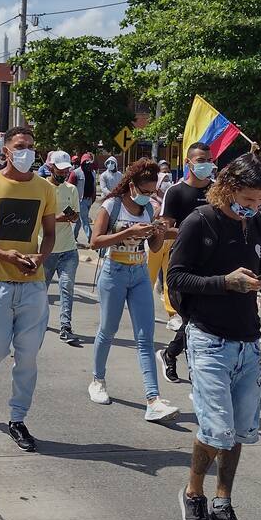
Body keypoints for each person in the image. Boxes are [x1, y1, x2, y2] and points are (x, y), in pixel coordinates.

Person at [168, 152, 261, 520]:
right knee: (216, 429)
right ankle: (193, 494)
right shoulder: (200, 222)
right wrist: (225, 283)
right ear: (227, 188)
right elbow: (176, 278)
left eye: (259, 202)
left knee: (239, 433)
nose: (252, 208)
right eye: (247, 200)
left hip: (248, 342)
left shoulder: (258, 225)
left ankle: (222, 503)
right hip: (208, 339)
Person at [0, 126, 58, 452]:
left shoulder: (45, 188)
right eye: (20, 146)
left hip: (33, 285)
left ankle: (18, 419)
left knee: (27, 357)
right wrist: (4, 255)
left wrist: (39, 257)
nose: (27, 152)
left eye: (32, 146)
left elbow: (49, 234)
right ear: (6, 150)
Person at [89, 158, 182, 423]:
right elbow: (95, 242)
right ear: (131, 186)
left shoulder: (148, 210)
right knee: (108, 330)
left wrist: (158, 232)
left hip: (139, 273)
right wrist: (127, 232)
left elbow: (153, 248)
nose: (149, 197)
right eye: (145, 192)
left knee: (146, 338)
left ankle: (153, 400)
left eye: (153, 192)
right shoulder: (112, 205)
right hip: (114, 271)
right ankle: (97, 380)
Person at [156, 142, 216, 384]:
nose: (206, 164)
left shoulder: (216, 191)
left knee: (200, 319)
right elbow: (164, 230)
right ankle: (172, 355)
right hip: (183, 265)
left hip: (212, 264)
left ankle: (175, 356)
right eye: (201, 160)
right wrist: (190, 231)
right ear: (189, 162)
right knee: (193, 317)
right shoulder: (176, 192)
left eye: (209, 160)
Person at [41, 151, 81, 340]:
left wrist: (72, 217)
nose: (64, 173)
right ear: (50, 167)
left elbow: (76, 216)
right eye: (60, 169)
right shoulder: (40, 188)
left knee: (67, 288)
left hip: (68, 250)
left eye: (66, 170)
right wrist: (58, 218)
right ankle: (38, 321)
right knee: (41, 290)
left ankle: (66, 327)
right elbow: (37, 218)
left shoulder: (71, 189)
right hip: (46, 251)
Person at [68, 152, 97, 244]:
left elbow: (94, 186)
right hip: (80, 200)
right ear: (82, 162)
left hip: (89, 200)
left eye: (90, 162)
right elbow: (69, 187)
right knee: (85, 220)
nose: (88, 165)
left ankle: (72, 238)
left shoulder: (93, 173)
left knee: (78, 221)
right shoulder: (75, 173)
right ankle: (91, 239)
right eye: (86, 162)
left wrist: (93, 197)